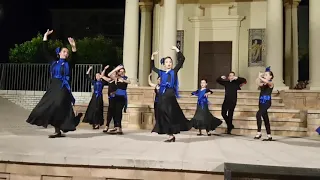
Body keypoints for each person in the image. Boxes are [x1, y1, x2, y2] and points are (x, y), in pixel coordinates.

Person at [26, 29, 82, 138]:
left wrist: (73, 47)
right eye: (64, 51)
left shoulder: (68, 64)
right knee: (46, 106)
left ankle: (68, 123)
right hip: (53, 87)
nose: (66, 53)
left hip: (63, 87)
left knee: (58, 105)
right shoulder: (53, 62)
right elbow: (45, 51)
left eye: (67, 52)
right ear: (59, 53)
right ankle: (57, 131)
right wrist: (45, 37)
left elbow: (75, 58)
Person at [151, 46, 192, 142]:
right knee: (162, 114)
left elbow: (182, 60)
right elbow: (153, 67)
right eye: (167, 62)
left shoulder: (174, 71)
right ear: (164, 64)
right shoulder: (161, 73)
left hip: (170, 94)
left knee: (170, 114)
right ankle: (170, 135)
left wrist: (177, 50)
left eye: (170, 62)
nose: (168, 63)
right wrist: (152, 56)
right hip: (162, 95)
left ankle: (172, 132)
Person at [107, 65, 131, 134]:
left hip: (122, 97)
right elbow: (109, 75)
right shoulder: (116, 78)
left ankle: (119, 127)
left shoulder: (126, 78)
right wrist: (116, 69)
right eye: (120, 71)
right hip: (116, 96)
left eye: (123, 71)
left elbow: (129, 82)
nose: (122, 73)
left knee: (119, 111)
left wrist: (123, 80)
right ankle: (116, 127)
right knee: (115, 112)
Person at [254, 66, 274, 141]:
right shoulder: (263, 83)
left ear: (270, 76)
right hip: (261, 102)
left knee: (258, 114)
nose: (265, 76)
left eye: (266, 74)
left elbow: (267, 82)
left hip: (267, 102)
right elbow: (257, 82)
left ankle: (259, 133)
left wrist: (261, 77)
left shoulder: (271, 83)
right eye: (265, 75)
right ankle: (269, 135)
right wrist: (259, 77)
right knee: (265, 118)